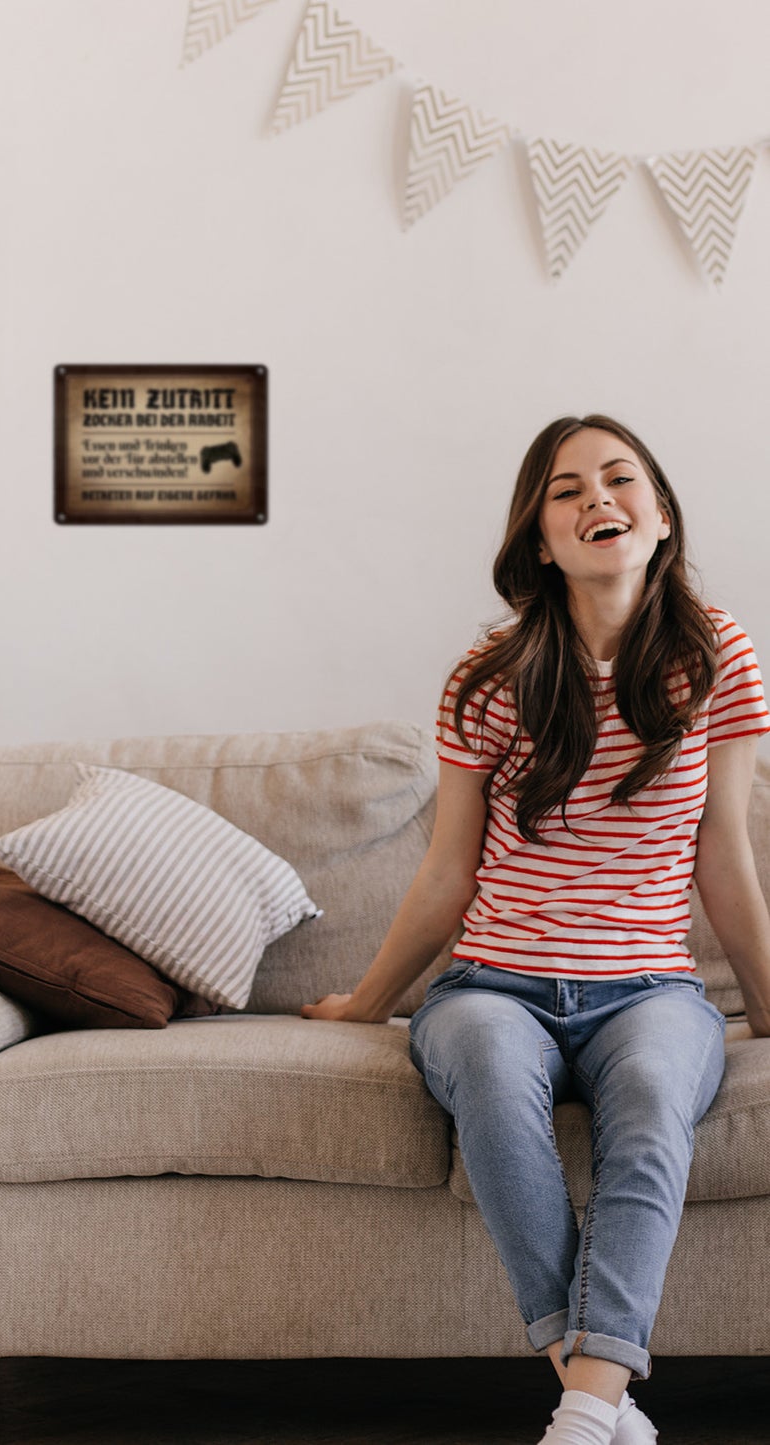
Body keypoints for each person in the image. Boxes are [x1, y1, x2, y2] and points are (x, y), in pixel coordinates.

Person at [301, 414, 770, 1445]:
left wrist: (769, 1008)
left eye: (618, 478)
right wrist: (368, 1003)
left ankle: (582, 1408)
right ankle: (598, 1397)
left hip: (648, 990)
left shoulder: (716, 654)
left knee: (651, 1096)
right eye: (565, 489)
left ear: (657, 519)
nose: (595, 497)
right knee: (482, 1069)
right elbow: (447, 870)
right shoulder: (489, 671)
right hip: (490, 984)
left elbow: (721, 852)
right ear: (538, 538)